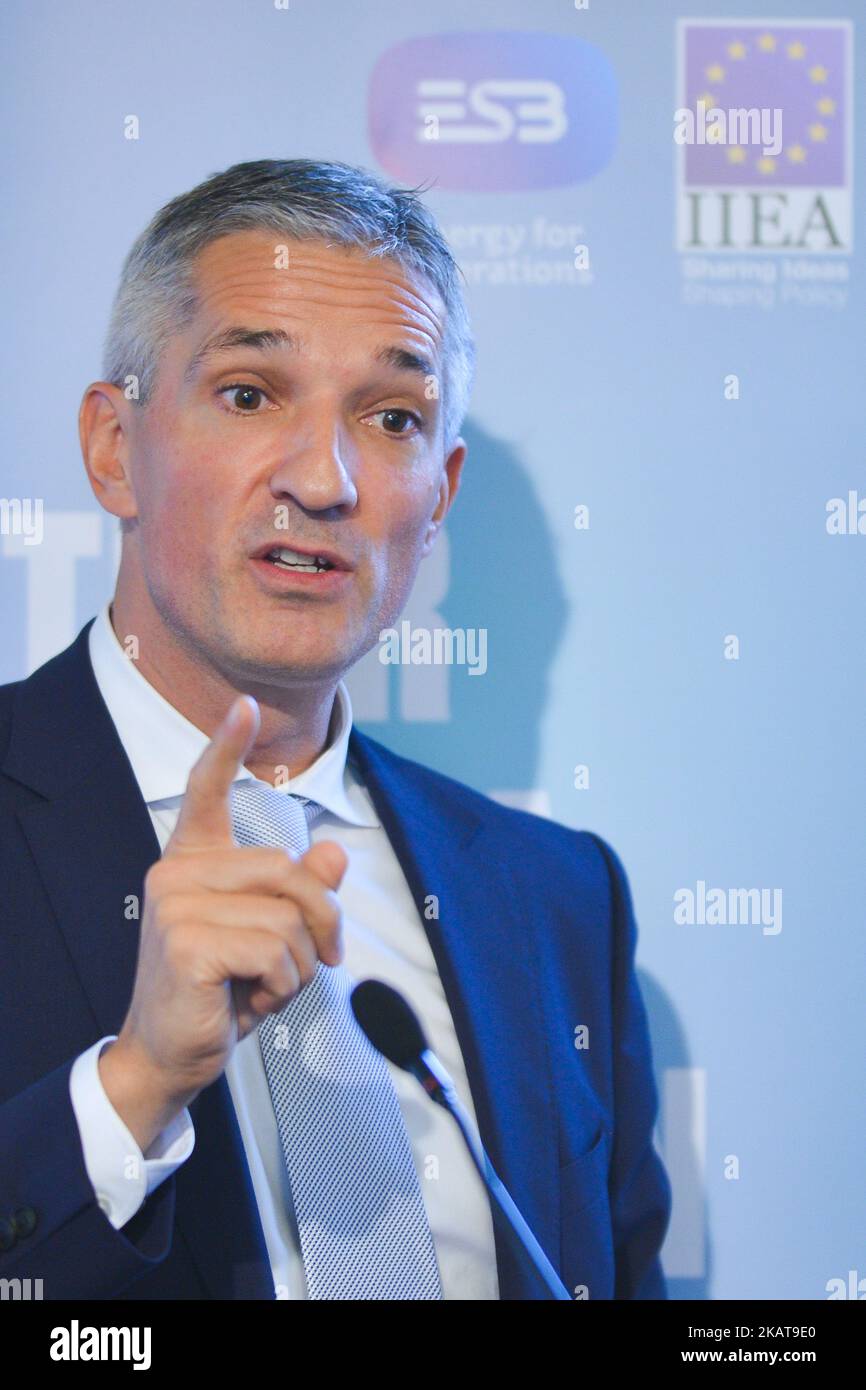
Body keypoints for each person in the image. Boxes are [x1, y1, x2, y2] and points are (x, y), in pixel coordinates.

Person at [0, 158, 671, 1300]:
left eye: (391, 416)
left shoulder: (554, 898)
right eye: (251, 393)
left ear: (439, 492)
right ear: (115, 447)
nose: (323, 479)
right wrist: (135, 1087)